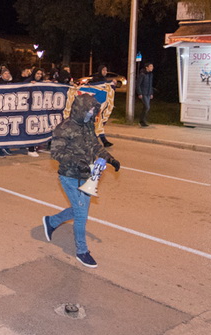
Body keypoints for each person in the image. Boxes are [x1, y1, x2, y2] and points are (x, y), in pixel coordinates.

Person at [43, 93, 120, 268]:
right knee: (81, 214)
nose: (91, 113)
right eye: (89, 109)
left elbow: (95, 146)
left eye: (93, 110)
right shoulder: (64, 127)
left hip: (87, 176)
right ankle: (81, 251)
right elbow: (56, 153)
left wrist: (110, 158)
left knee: (80, 210)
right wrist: (78, 163)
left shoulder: (87, 126)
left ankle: (51, 222)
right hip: (69, 176)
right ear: (80, 108)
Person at [137, 62, 154, 127]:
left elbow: (150, 85)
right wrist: (139, 93)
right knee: (147, 107)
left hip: (148, 93)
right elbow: (138, 84)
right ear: (147, 67)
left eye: (152, 66)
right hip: (143, 93)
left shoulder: (150, 75)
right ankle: (142, 121)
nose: (152, 68)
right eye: (151, 66)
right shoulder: (142, 74)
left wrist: (151, 93)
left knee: (146, 107)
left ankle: (143, 121)